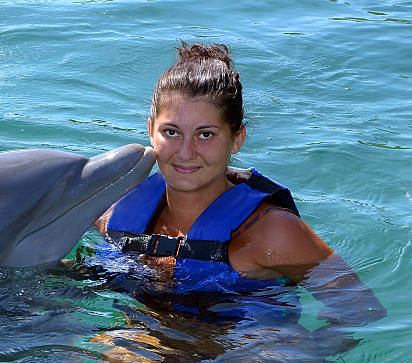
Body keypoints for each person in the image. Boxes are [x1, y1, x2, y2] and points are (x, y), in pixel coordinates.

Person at [94, 41, 385, 340]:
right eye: (171, 132)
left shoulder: (270, 233)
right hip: (145, 345)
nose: (185, 152)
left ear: (237, 139)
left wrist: (299, 361)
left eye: (205, 135)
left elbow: (359, 308)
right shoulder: (113, 210)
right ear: (150, 130)